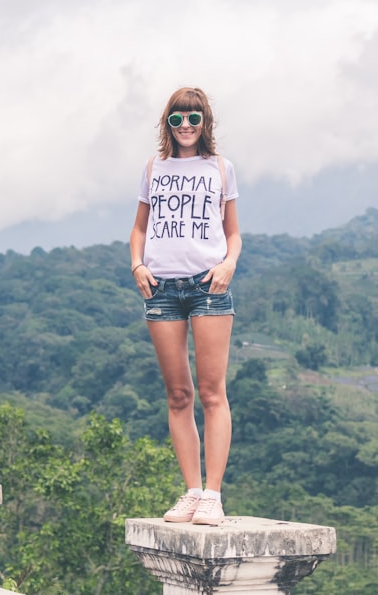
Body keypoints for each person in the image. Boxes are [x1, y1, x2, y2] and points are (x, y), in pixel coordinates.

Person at [129, 86, 242, 525]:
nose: (186, 126)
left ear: (205, 122)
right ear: (168, 124)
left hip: (208, 286)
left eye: (194, 117)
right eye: (177, 118)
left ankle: (213, 494)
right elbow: (140, 227)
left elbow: (232, 232)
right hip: (161, 288)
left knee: (213, 392)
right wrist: (137, 264)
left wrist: (229, 263)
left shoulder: (220, 168)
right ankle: (192, 491)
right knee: (178, 394)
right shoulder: (154, 168)